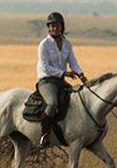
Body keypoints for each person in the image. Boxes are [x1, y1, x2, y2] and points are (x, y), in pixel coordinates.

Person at [36, 12, 87, 146]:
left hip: (60, 81)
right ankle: (44, 134)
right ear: (49, 27)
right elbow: (45, 67)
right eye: (52, 26)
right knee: (52, 103)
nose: (55, 28)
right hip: (47, 81)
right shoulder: (44, 45)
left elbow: (73, 62)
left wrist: (80, 73)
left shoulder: (67, 44)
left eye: (57, 26)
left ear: (62, 27)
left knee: (76, 100)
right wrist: (63, 73)